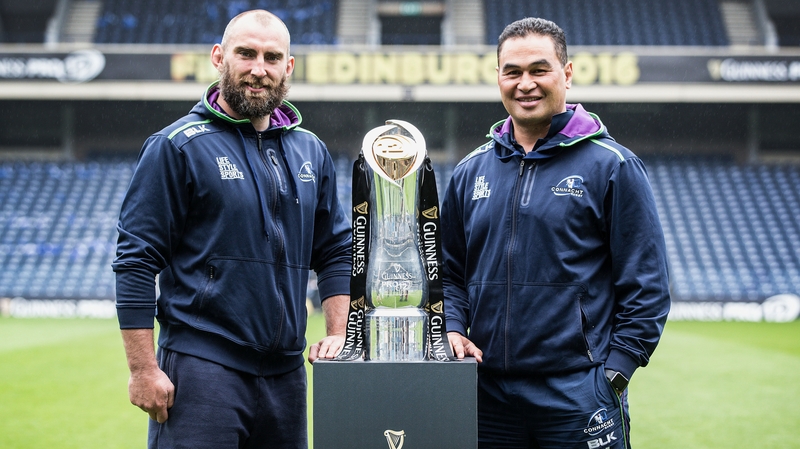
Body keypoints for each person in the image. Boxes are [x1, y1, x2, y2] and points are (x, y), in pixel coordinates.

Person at [112, 10, 350, 448]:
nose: (259, 69)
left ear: (288, 67)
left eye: (272, 57)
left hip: (287, 376)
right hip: (203, 368)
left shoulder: (310, 151)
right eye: (246, 54)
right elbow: (136, 259)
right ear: (219, 57)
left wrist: (339, 335)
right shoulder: (177, 146)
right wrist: (143, 370)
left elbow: (335, 249)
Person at [441, 17, 671, 449]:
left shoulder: (613, 166)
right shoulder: (470, 170)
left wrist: (613, 376)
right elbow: (449, 272)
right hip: (484, 394)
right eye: (512, 72)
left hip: (577, 395)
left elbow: (648, 285)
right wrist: (453, 326)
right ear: (498, 78)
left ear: (566, 73)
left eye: (538, 69)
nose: (525, 83)